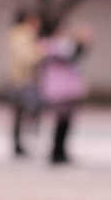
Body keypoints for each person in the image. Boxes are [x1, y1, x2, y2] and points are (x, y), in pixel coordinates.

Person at [38, 20, 91, 164]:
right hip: (62, 89)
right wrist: (81, 42)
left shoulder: (50, 45)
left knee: (63, 121)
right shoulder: (53, 45)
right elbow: (72, 55)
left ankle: (59, 150)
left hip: (60, 88)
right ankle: (57, 152)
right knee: (62, 121)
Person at [5, 11, 42, 157]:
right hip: (22, 79)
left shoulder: (18, 34)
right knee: (25, 111)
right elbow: (25, 57)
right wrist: (39, 54)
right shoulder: (22, 35)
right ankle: (20, 143)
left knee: (20, 113)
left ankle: (19, 143)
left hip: (20, 79)